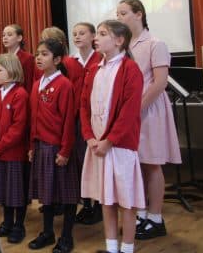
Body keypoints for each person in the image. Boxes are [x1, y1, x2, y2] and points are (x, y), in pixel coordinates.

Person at [117, 0, 181, 240]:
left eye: (123, 13)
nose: (119, 17)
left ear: (139, 14)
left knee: (152, 163)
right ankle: (142, 213)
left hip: (149, 110)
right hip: (131, 112)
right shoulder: (124, 45)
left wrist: (136, 108)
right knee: (137, 163)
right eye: (117, 13)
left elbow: (160, 82)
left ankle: (155, 218)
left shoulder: (155, 43)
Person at [81, 20, 145, 253]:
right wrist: (89, 137)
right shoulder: (94, 69)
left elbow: (129, 112)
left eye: (102, 34)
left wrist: (109, 141)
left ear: (119, 40)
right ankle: (111, 248)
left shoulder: (130, 69)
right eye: (96, 34)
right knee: (106, 199)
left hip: (118, 146)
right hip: (97, 145)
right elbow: (84, 106)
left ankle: (127, 248)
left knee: (126, 201)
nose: (96, 38)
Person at [28, 38, 78, 253]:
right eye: (37, 54)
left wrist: (65, 150)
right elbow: (34, 119)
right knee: (46, 193)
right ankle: (47, 232)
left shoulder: (64, 85)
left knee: (66, 193)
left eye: (45, 54)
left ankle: (66, 236)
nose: (39, 58)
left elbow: (68, 121)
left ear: (57, 60)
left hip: (58, 148)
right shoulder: (36, 84)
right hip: (41, 146)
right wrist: (32, 146)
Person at [0, 53, 29, 244]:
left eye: (0, 70)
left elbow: (18, 127)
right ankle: (7, 223)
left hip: (13, 153)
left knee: (16, 192)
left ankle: (19, 225)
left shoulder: (20, 94)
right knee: (4, 190)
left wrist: (0, 145)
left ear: (12, 71)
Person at [71, 22, 103, 225]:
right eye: (74, 34)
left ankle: (99, 205)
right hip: (77, 117)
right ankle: (86, 205)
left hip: (96, 117)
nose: (77, 36)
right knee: (81, 160)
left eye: (82, 33)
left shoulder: (100, 59)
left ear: (93, 36)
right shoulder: (70, 61)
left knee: (96, 160)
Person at [2, 24, 35, 93]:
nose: (5, 38)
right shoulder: (2, 59)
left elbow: (29, 83)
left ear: (19, 38)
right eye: (3, 35)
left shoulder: (28, 58)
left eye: (9, 35)